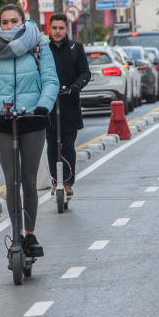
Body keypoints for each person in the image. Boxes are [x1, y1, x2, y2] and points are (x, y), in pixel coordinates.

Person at [0, 3, 59, 258]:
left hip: (33, 118)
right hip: (3, 121)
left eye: (14, 21)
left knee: (29, 181)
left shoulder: (39, 46)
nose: (9, 26)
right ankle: (15, 232)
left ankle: (29, 233)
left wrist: (44, 106)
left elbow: (50, 80)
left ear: (23, 21)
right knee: (11, 181)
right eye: (5, 22)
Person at [45, 13, 90, 197]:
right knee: (52, 146)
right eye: (54, 28)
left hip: (70, 105)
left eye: (61, 28)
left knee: (68, 145)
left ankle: (68, 182)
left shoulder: (75, 48)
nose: (57, 31)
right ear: (49, 29)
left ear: (66, 29)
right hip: (48, 106)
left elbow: (85, 73)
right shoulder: (43, 49)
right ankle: (56, 182)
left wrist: (75, 88)